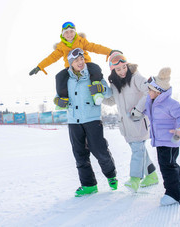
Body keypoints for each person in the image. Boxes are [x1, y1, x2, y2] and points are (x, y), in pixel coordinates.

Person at [54, 48, 118, 197]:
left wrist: (101, 87)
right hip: (74, 121)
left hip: (92, 119)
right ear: (70, 63)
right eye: (76, 61)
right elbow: (58, 96)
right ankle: (89, 185)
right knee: (80, 154)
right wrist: (58, 101)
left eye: (81, 59)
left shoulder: (93, 75)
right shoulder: (66, 80)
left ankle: (111, 175)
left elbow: (109, 93)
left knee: (100, 151)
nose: (80, 62)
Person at [103, 52, 159, 193]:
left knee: (137, 151)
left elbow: (149, 92)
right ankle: (151, 175)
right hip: (126, 125)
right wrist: (99, 96)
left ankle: (134, 179)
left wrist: (138, 109)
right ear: (113, 70)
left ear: (127, 65)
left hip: (138, 121)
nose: (122, 71)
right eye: (118, 69)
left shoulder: (136, 77)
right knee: (140, 150)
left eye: (124, 67)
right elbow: (111, 101)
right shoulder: (114, 84)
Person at [29, 21, 120, 105]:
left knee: (95, 68)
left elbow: (95, 47)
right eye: (66, 32)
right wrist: (40, 66)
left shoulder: (81, 41)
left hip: (86, 64)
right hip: (70, 68)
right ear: (63, 34)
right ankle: (63, 98)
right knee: (59, 76)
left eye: (71, 31)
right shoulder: (61, 47)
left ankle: (96, 89)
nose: (69, 34)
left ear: (75, 32)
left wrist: (109, 51)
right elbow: (51, 58)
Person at [145, 67, 180, 206]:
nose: (148, 92)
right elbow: (146, 111)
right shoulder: (152, 102)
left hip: (170, 140)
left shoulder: (169, 103)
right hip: (161, 140)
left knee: (167, 166)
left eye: (150, 90)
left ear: (158, 91)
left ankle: (174, 194)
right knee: (170, 164)